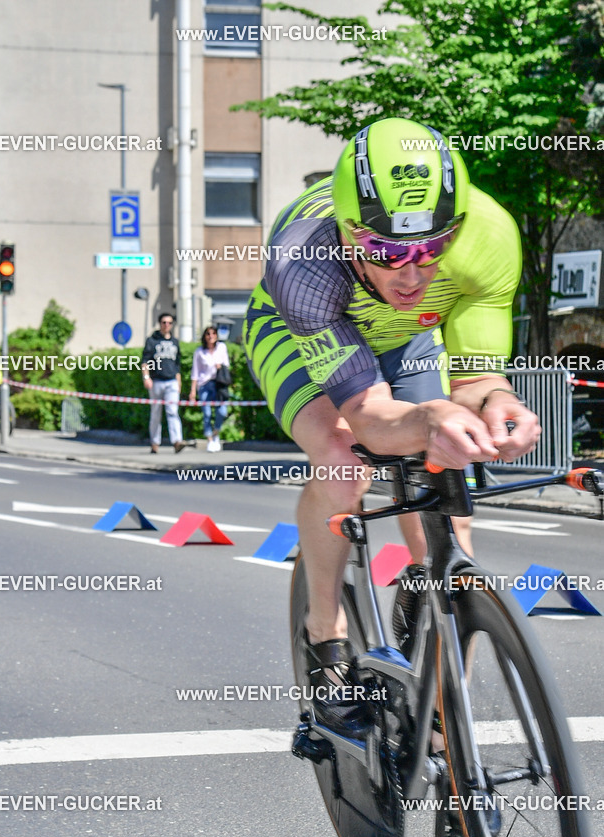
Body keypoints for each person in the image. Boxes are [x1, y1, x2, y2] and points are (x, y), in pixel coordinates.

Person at [242, 117, 540, 737]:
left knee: (450, 510)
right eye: (385, 252)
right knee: (343, 462)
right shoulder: (304, 262)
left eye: (432, 249)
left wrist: (495, 404)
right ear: (350, 232)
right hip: (301, 336)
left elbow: (480, 376)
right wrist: (432, 417)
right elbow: (371, 420)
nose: (411, 274)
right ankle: (326, 633)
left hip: (407, 341)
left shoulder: (488, 236)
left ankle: (443, 714)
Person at [141, 312, 186, 453]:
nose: (167, 325)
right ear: (160, 323)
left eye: (169, 323)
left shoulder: (175, 342)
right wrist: (146, 377)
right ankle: (155, 443)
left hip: (171, 381)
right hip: (156, 381)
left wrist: (178, 381)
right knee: (155, 414)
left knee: (173, 411)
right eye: (164, 322)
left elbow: (177, 364)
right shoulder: (152, 340)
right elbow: (145, 361)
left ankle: (177, 441)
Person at [189, 326, 230, 453]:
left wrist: (220, 366)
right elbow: (195, 372)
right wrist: (193, 390)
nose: (211, 336)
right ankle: (210, 440)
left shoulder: (222, 347)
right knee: (206, 414)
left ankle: (215, 433)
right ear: (204, 336)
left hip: (219, 384)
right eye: (208, 334)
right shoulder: (199, 352)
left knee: (222, 411)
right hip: (204, 384)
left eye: (213, 333)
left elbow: (227, 364)